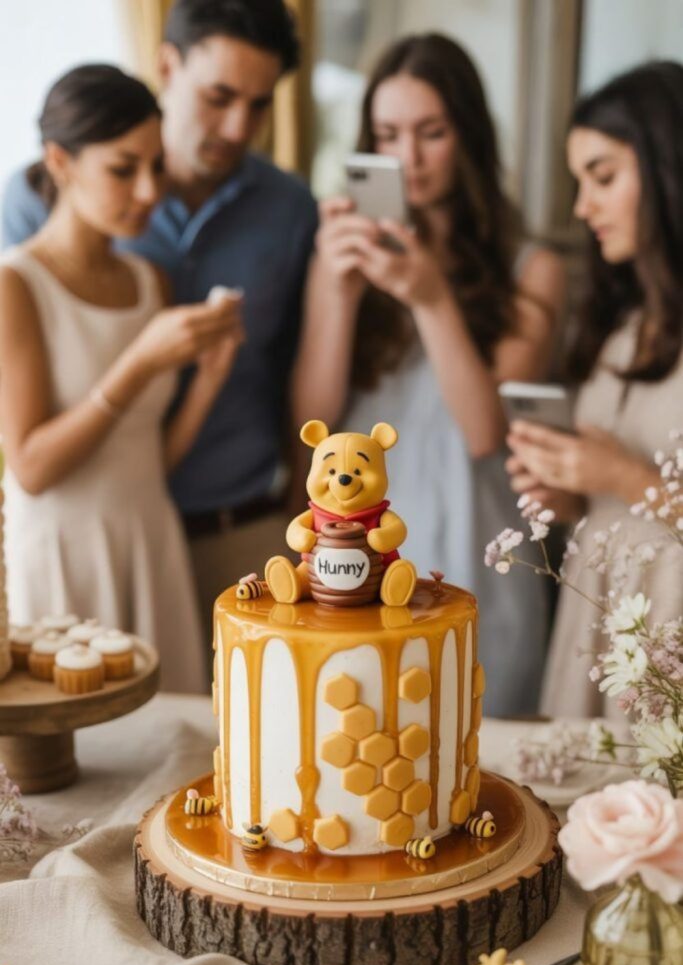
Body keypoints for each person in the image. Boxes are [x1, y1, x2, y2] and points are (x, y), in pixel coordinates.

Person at [2, 0, 318, 648]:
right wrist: (143, 360)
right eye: (219, 96)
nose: (237, 125)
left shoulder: (277, 215)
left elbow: (291, 379)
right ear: (167, 67)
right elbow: (26, 453)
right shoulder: (23, 238)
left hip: (198, 531)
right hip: (67, 546)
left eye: (259, 105)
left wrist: (208, 380)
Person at [292, 34, 565, 715]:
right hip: (361, 545)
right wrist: (337, 291)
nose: (406, 159)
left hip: (482, 545)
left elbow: (484, 434)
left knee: (477, 751)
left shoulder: (533, 267)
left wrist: (429, 296)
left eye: (430, 133)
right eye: (386, 134)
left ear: (466, 134)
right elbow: (310, 423)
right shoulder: (344, 253)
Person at [0, 64, 244, 692]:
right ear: (60, 161)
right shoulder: (16, 286)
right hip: (62, 558)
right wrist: (139, 363)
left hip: (149, 538)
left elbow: (149, 456)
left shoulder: (149, 283)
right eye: (122, 167)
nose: (148, 190)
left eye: (156, 165)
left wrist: (210, 378)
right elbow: (29, 466)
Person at [506, 62, 683, 718]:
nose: (582, 207)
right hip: (598, 613)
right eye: (578, 182)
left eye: (602, 177)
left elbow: (641, 483)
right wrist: (573, 491)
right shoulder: (618, 322)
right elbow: (611, 498)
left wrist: (620, 472)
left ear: (666, 167)